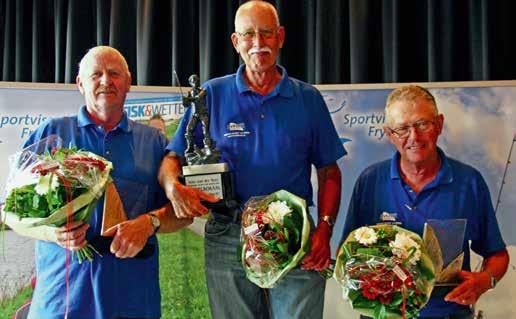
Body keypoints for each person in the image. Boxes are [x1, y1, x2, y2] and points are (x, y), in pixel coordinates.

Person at [159, 1, 346, 318]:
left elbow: (329, 172)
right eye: (248, 35)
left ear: (281, 37)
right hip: (227, 233)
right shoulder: (211, 95)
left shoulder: (308, 98)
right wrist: (173, 187)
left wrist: (325, 230)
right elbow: (173, 158)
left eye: (266, 33)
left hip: (295, 234)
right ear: (236, 41)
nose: (258, 44)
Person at [6, 46, 192, 319]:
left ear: (128, 83)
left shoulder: (154, 143)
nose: (106, 81)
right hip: (62, 302)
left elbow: (183, 213)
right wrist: (52, 233)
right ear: (80, 84)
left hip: (133, 301)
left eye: (114, 73)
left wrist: (149, 222)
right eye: (96, 74)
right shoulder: (51, 133)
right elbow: (10, 211)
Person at [341, 85, 509, 319]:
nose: (414, 137)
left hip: (449, 313)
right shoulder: (370, 182)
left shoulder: (469, 182)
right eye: (402, 129)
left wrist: (485, 280)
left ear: (439, 125)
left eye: (422, 124)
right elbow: (346, 256)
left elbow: (498, 255)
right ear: (389, 134)